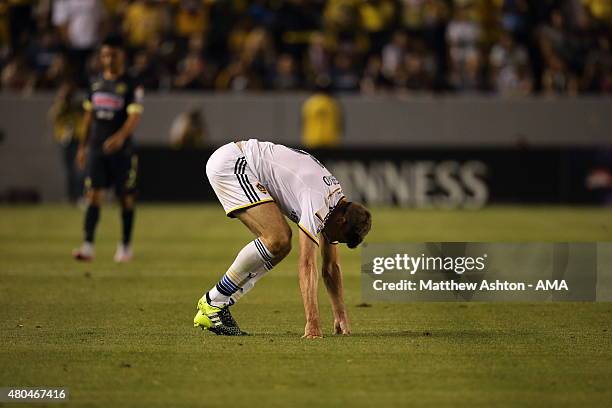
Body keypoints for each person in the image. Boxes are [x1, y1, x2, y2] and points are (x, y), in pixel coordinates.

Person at [194, 139, 372, 338]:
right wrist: (312, 322)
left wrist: (340, 314)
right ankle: (214, 302)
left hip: (241, 163)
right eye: (342, 238)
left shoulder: (336, 204)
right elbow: (307, 264)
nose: (336, 241)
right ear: (341, 221)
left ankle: (216, 304)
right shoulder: (318, 202)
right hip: (234, 162)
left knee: (280, 244)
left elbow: (331, 267)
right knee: (277, 239)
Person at [72, 35, 144, 263]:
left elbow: (134, 116)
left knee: (126, 198)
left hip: (122, 151)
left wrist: (120, 137)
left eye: (113, 54)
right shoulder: (94, 83)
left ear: (121, 55)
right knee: (93, 195)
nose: (108, 59)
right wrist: (82, 146)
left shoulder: (132, 84)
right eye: (105, 55)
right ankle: (88, 246)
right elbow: (88, 117)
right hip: (96, 148)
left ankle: (125, 246)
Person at [48, 81, 84, 203]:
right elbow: (53, 116)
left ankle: (79, 196)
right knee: (70, 171)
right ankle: (71, 197)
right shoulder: (61, 106)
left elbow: (84, 118)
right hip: (65, 141)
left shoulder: (77, 105)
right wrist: (61, 101)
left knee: (79, 170)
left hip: (77, 139)